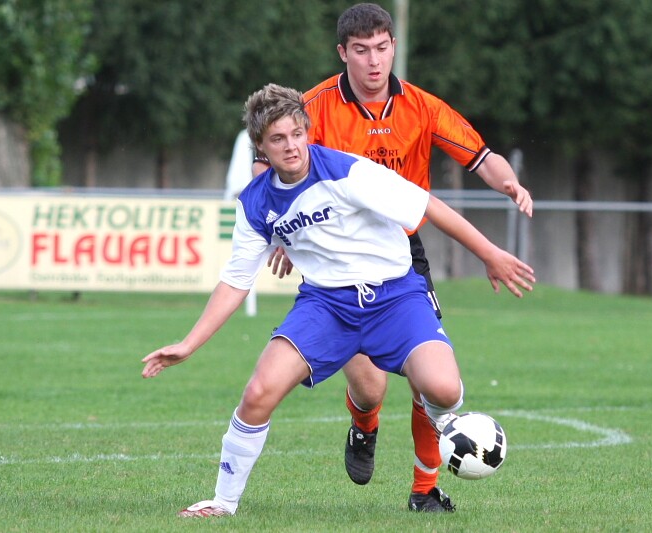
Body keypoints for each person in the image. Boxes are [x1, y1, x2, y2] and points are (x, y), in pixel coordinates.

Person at [142, 83, 535, 518]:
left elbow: (427, 205)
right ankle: (223, 502)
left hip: (396, 297)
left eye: (297, 134)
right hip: (326, 307)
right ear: (261, 146)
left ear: (307, 131)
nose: (291, 146)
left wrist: (490, 254)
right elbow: (235, 282)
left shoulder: (348, 171)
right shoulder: (255, 205)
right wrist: (189, 344)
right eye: (278, 139)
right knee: (258, 392)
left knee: (442, 388)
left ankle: (435, 452)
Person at [257, 2, 534, 512]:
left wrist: (509, 183)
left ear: (393, 48)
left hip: (402, 253)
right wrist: (284, 232)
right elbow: (267, 166)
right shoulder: (314, 107)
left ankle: (425, 488)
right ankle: (364, 424)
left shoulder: (421, 106)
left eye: (381, 48)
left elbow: (480, 156)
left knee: (430, 378)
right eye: (361, 50)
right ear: (343, 53)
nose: (373, 60)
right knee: (369, 386)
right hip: (336, 250)